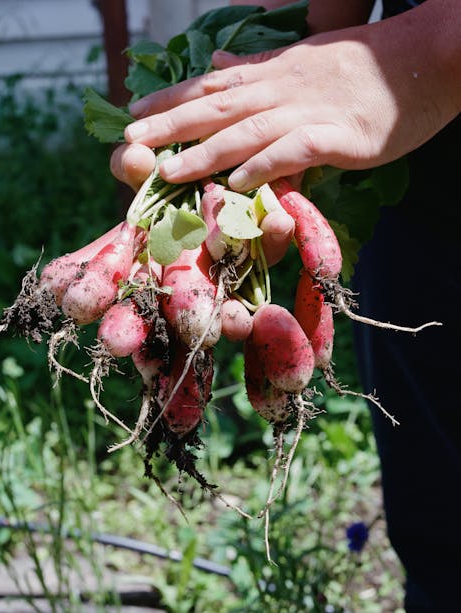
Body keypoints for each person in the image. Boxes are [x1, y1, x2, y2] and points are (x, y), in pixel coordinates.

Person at [110, 1, 461, 610]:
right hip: (419, 157)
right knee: (440, 520)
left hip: (418, 76)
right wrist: (293, 37)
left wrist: (431, 53)